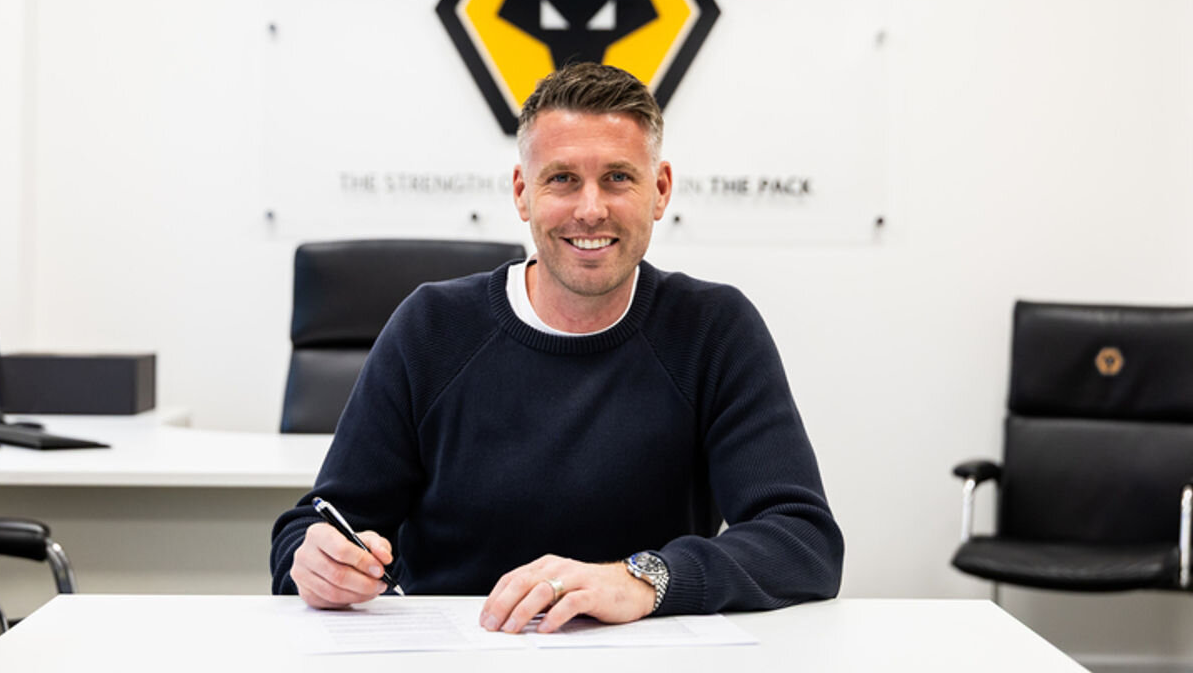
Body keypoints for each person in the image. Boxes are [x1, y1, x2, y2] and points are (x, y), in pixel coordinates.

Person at [270, 62, 844, 634]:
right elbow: (314, 527)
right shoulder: (432, 327)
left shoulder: (713, 330)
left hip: (645, 655)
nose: (590, 209)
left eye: (617, 177)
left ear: (661, 189)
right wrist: (314, 563)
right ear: (523, 192)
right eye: (563, 178)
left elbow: (802, 540)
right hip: (457, 653)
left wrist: (642, 579)